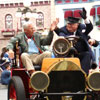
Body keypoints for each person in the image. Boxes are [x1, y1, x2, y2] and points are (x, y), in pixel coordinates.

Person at [52, 8, 98, 74]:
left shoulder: (81, 28)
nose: (69, 26)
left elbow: (89, 28)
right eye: (68, 24)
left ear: (77, 24)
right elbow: (61, 35)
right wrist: (60, 34)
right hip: (67, 55)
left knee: (87, 55)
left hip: (80, 54)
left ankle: (83, 75)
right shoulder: (63, 30)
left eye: (72, 24)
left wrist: (85, 18)